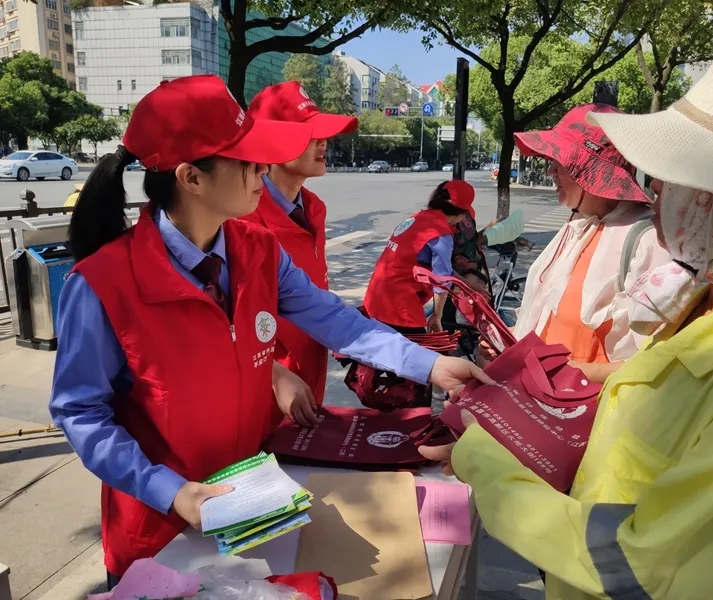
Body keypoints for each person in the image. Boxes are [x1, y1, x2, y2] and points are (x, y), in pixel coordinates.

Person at [48, 75, 490, 585]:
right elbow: (80, 412)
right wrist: (169, 490)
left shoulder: (257, 252)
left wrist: (432, 365)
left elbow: (335, 321)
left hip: (256, 502)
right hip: (161, 530)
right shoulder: (103, 284)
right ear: (191, 178)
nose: (262, 171)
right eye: (247, 162)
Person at [421, 41, 713, 599]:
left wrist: (484, 457)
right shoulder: (710, 292)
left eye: (677, 178)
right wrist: (536, 396)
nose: (658, 192)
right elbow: (651, 385)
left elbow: (643, 570)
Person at [485, 104, 673, 383]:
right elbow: (547, 319)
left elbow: (656, 363)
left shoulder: (646, 240)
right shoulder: (576, 226)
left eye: (558, 162)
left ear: (586, 170)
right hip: (539, 406)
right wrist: (507, 344)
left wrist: (567, 373)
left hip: (587, 418)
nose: (550, 171)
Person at [241, 81, 358, 427]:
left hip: (310, 377)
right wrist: (271, 374)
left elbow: (314, 294)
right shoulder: (241, 219)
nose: (323, 142)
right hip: (262, 388)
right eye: (310, 135)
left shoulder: (313, 208)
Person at [363, 180, 475, 334]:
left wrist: (467, 284)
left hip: (376, 297)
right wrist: (437, 316)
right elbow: (441, 281)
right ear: (462, 215)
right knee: (419, 355)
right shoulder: (441, 234)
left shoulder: (416, 218)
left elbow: (440, 269)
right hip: (398, 306)